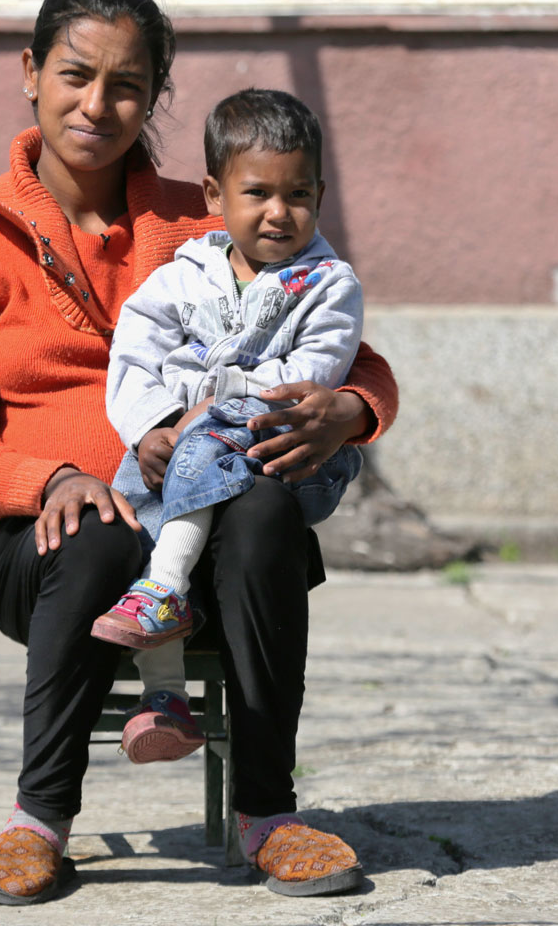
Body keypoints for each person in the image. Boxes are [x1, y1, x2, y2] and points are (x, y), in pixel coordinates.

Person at [0, 0, 399, 906]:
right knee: (91, 528)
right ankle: (38, 820)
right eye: (74, 75)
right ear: (29, 73)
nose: (98, 105)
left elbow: (357, 354)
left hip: (211, 550)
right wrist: (52, 476)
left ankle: (269, 813)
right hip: (58, 558)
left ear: (154, 97)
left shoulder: (208, 211)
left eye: (127, 85)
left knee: (260, 506)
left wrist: (353, 411)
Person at [90, 88, 365, 769]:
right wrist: (152, 424)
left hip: (282, 449)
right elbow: (133, 351)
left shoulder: (328, 284)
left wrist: (204, 404)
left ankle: (164, 592)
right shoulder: (184, 276)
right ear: (215, 193)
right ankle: (165, 698)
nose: (279, 213)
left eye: (298, 194)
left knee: (207, 449)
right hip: (185, 439)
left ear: (321, 195)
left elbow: (307, 377)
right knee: (141, 508)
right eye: (258, 193)